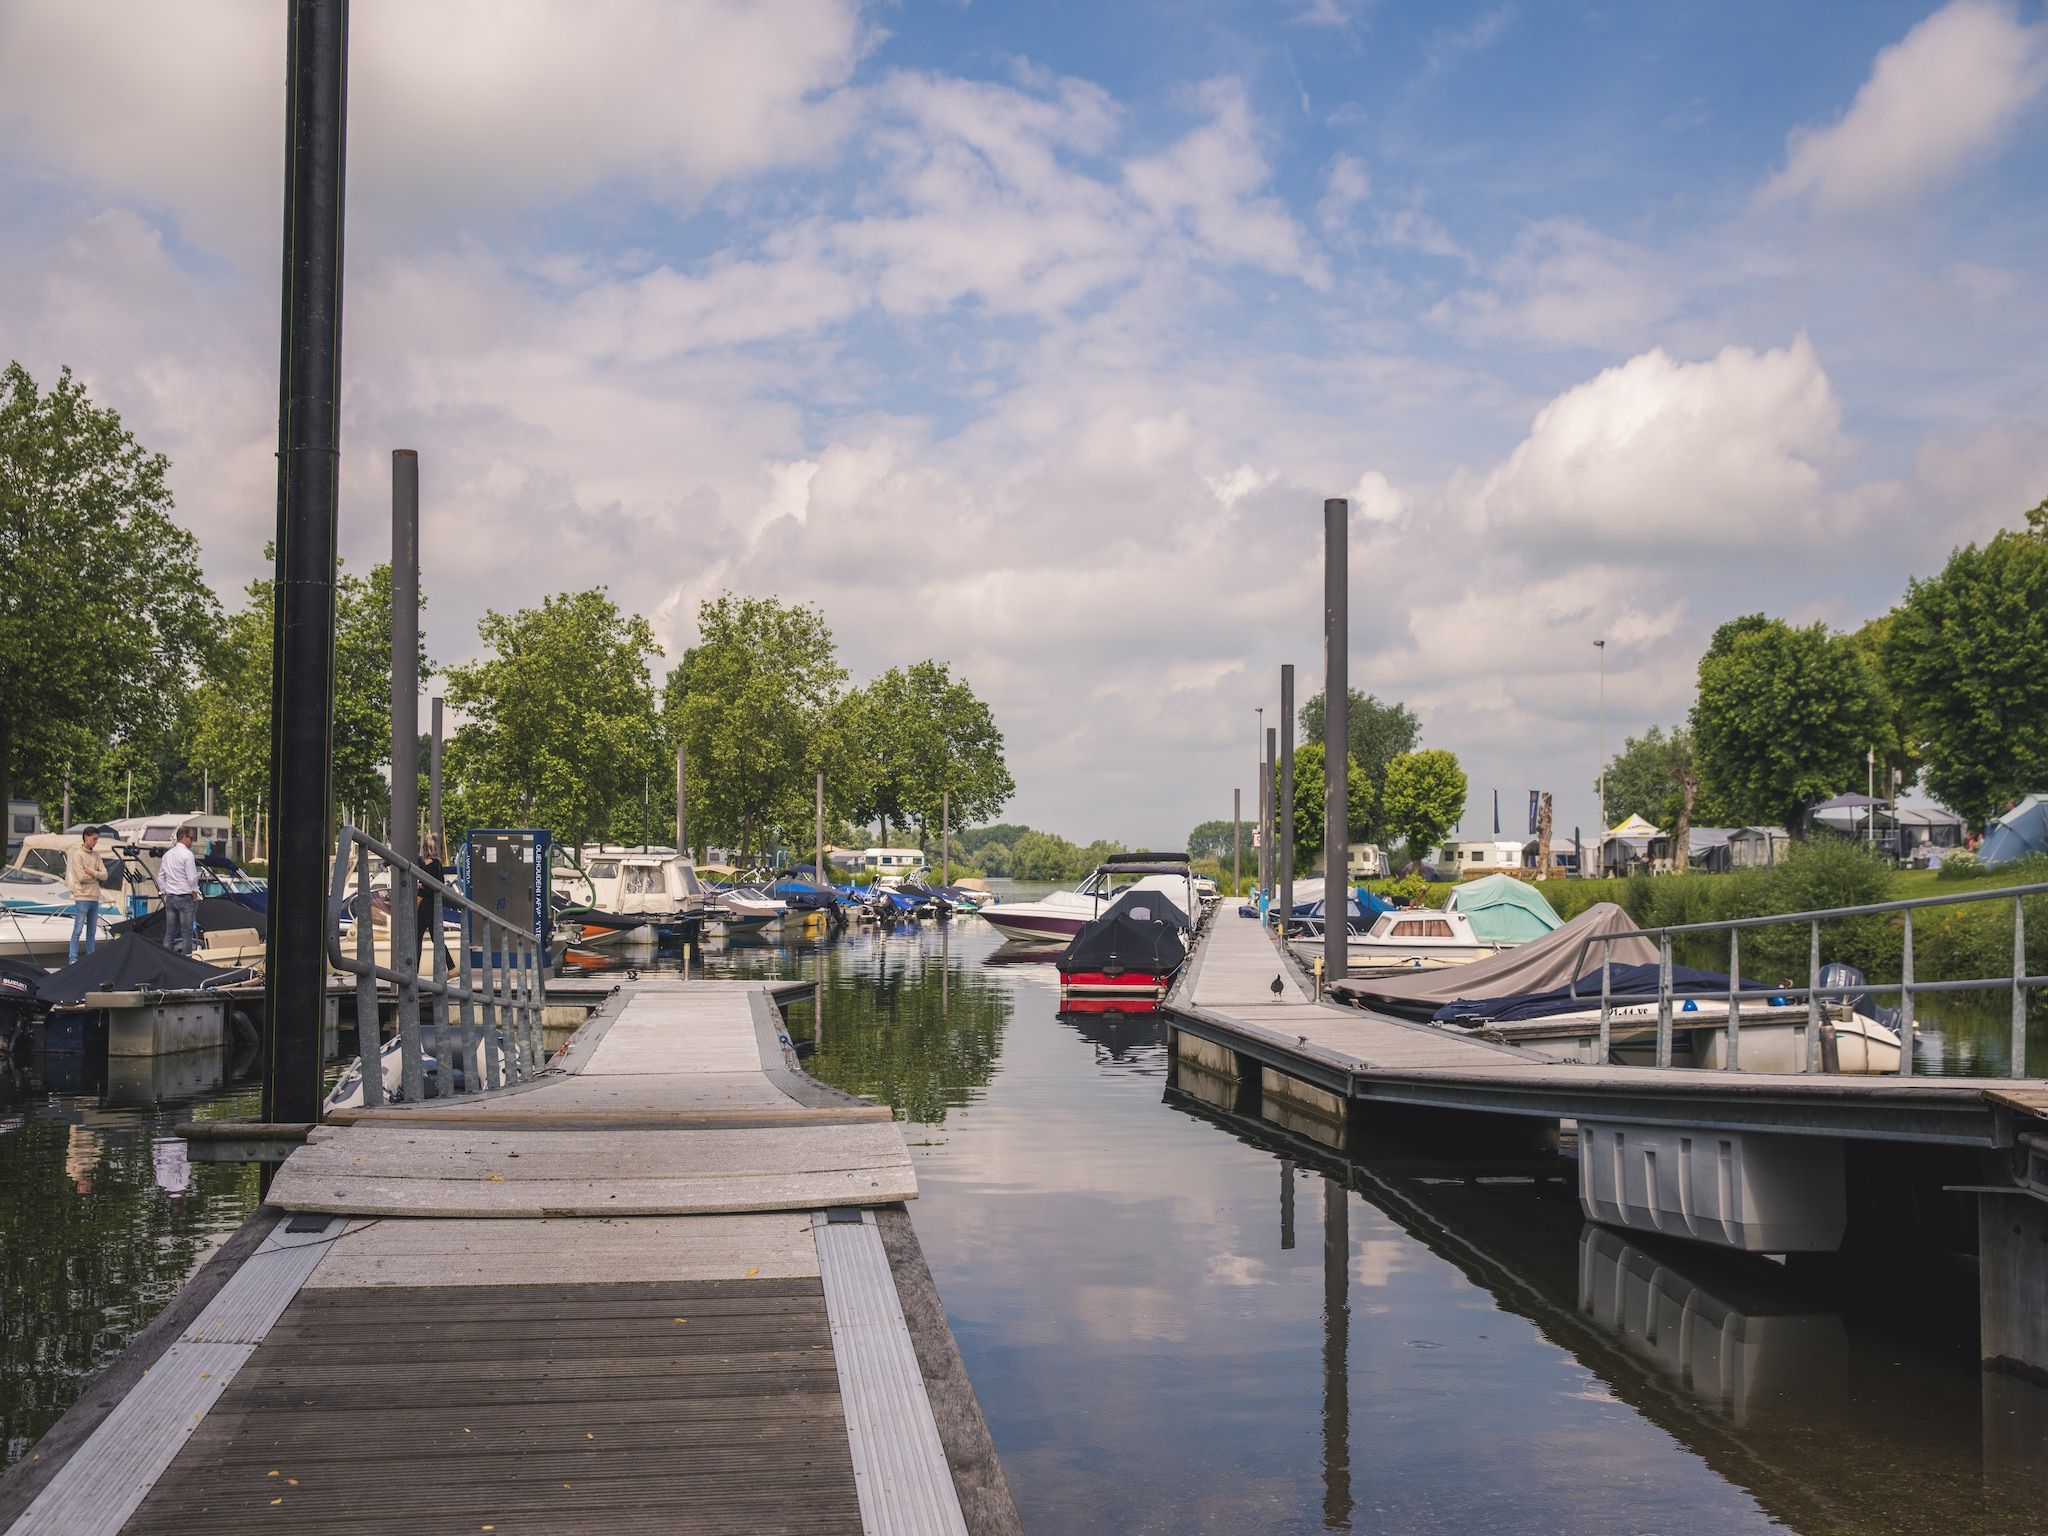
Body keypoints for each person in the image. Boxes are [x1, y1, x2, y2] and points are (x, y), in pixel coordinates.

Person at [65, 828, 108, 965]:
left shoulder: (96, 855)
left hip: (95, 897)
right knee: (78, 929)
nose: (96, 842)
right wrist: (97, 875)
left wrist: (91, 872)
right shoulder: (77, 855)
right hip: (82, 896)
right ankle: (72, 958)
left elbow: (105, 874)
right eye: (94, 839)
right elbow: (81, 877)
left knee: (92, 930)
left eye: (97, 839)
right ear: (86, 837)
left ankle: (91, 957)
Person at [159, 823, 202, 956]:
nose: (192, 841)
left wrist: (164, 891)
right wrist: (194, 892)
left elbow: (160, 877)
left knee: (170, 932)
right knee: (187, 933)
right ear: (183, 837)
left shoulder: (167, 854)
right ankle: (186, 960)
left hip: (171, 897)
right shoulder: (187, 855)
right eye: (191, 838)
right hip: (185, 897)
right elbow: (192, 877)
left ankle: (165, 959)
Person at [415, 836, 455, 974]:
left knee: (417, 936)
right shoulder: (437, 865)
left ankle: (414, 971)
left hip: (426, 903)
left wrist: (420, 886)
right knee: (436, 938)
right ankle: (451, 968)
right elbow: (439, 885)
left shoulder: (426, 865)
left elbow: (429, 888)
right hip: (434, 904)